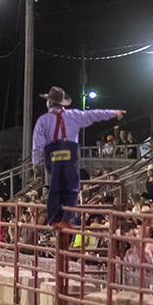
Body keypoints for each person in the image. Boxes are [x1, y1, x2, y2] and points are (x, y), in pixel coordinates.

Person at [31, 86, 125, 227]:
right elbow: (93, 114)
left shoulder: (43, 120)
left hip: (53, 151)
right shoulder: (73, 115)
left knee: (56, 184)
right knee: (71, 186)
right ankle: (67, 218)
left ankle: (55, 219)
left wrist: (35, 161)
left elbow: (37, 142)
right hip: (70, 151)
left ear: (50, 103)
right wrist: (112, 113)